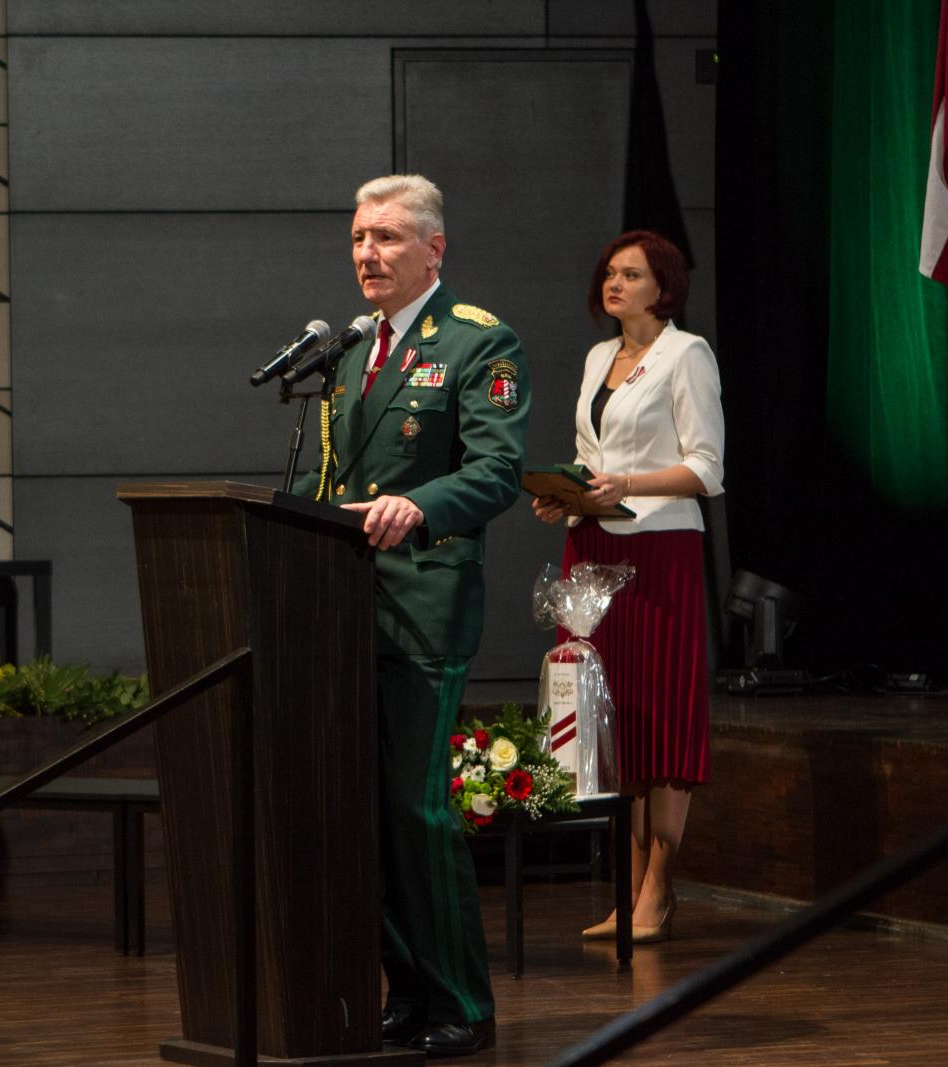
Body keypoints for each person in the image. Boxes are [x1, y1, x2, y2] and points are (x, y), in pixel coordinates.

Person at [297, 174, 529, 1057]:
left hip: (424, 606)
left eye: (388, 238)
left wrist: (419, 504)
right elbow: (327, 482)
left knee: (416, 808)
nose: (368, 253)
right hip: (342, 607)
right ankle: (409, 990)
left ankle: (463, 1003)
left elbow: (499, 469)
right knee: (365, 811)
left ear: (435, 248)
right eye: (359, 237)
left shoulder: (478, 341)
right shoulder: (351, 351)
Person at [532, 229, 724, 944]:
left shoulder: (687, 353)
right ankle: (626, 878)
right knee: (609, 717)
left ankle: (659, 884)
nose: (614, 284)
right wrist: (566, 496)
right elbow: (592, 459)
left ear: (664, 287)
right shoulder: (597, 357)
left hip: (660, 550)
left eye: (631, 274)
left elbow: (707, 467)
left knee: (660, 714)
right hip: (591, 547)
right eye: (609, 273)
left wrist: (626, 483)